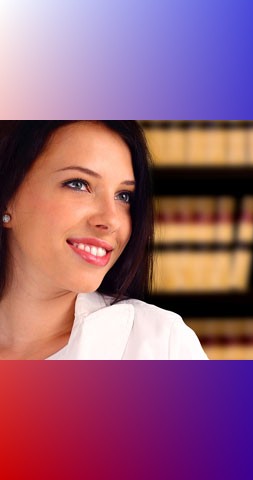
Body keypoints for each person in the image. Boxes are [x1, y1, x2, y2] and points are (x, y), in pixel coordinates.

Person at [0, 121, 207, 359]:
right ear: (7, 197)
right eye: (78, 184)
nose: (111, 220)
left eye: (124, 196)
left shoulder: (160, 345)